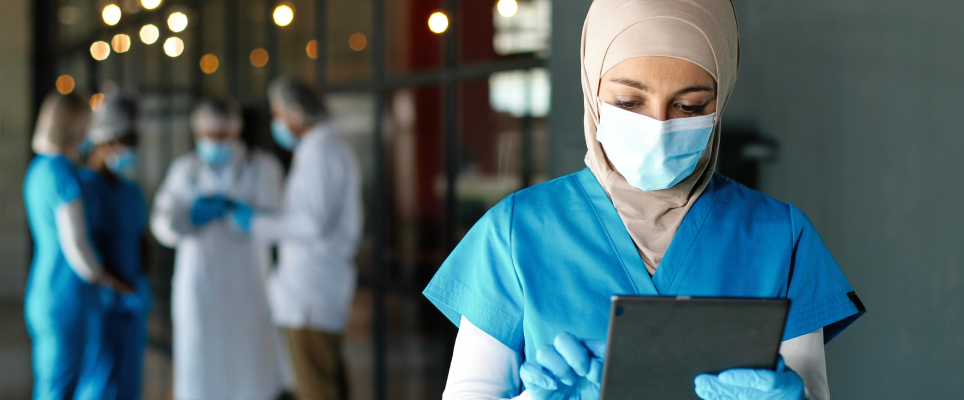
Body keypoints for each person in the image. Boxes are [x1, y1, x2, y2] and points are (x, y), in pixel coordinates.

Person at [422, 1, 866, 400]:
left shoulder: (780, 237)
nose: (657, 127)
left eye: (690, 107)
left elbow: (812, 392)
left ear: (721, 98)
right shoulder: (516, 232)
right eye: (629, 101)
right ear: (593, 90)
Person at [229, 78, 362, 400]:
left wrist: (257, 222)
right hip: (317, 288)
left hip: (311, 293)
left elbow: (310, 223)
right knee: (327, 379)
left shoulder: (320, 154)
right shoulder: (324, 151)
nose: (278, 123)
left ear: (297, 112)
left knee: (316, 386)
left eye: (279, 114)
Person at [150, 99, 285, 400]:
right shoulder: (185, 170)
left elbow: (280, 224)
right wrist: (189, 219)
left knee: (251, 370)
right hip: (200, 286)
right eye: (208, 136)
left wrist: (250, 219)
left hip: (248, 287)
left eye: (221, 136)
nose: (214, 143)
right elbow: (161, 223)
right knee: (200, 368)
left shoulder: (263, 168)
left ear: (235, 131)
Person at [24, 92, 133, 400]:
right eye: (86, 125)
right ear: (72, 126)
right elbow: (76, 243)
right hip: (67, 296)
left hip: (45, 291)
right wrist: (106, 279)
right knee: (61, 387)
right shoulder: (63, 173)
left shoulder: (39, 169)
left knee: (51, 381)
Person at [74, 96, 152, 400]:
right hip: (101, 303)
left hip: (132, 303)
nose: (132, 148)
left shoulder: (131, 191)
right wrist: (121, 289)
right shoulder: (84, 189)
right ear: (104, 141)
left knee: (129, 382)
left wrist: (141, 282)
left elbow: (141, 238)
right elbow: (87, 251)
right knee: (99, 380)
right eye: (127, 140)